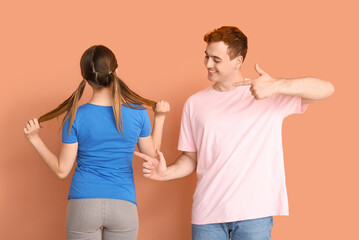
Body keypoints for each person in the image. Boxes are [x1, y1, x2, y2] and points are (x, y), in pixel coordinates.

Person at [134, 26, 335, 240]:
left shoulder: (267, 95)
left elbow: (326, 89)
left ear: (238, 61)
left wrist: (276, 85)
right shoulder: (195, 104)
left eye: (216, 60)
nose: (208, 64)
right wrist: (166, 173)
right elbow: (191, 159)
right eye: (207, 57)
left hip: (254, 215)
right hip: (207, 216)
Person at [23, 45, 170, 240]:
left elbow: (61, 170)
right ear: (116, 71)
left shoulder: (75, 116)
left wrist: (34, 139)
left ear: (85, 79)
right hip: (123, 205)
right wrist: (159, 118)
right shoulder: (138, 112)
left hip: (83, 205)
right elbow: (152, 157)